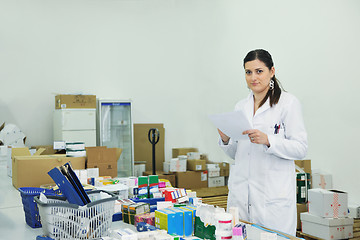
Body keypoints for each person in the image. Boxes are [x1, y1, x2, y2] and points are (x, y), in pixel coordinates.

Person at [218, 49, 307, 236]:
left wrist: (269, 141)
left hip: (272, 200)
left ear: (272, 71)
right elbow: (240, 154)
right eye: (248, 72)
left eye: (259, 71)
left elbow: (300, 148)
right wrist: (226, 140)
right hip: (242, 197)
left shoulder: (287, 103)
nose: (253, 77)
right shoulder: (240, 106)